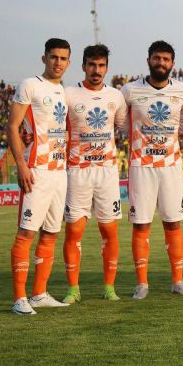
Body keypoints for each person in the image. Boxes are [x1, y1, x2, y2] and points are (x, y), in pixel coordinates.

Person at [121, 40, 183, 299]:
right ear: (148, 61)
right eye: (156, 58)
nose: (161, 63)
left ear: (172, 63)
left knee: (173, 223)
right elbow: (121, 122)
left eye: (165, 59)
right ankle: (142, 283)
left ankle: (178, 281)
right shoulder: (130, 90)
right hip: (141, 166)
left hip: (171, 166)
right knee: (141, 225)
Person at [7, 38, 72, 314]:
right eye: (53, 57)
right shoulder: (29, 85)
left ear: (69, 62)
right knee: (26, 233)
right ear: (44, 58)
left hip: (59, 172)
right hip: (37, 170)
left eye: (63, 58)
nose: (58, 62)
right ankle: (19, 299)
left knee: (51, 233)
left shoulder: (63, 91)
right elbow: (12, 126)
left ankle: (39, 293)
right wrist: (21, 165)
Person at [61, 44, 128, 303]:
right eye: (92, 64)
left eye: (101, 65)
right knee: (74, 232)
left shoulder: (116, 97)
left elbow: (123, 126)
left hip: (106, 173)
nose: (96, 70)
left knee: (109, 231)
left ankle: (109, 287)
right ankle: (73, 289)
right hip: (77, 172)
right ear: (83, 66)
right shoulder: (69, 94)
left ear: (107, 68)